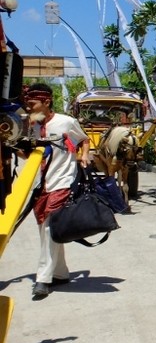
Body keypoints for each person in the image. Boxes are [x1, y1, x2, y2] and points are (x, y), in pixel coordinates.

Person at [24, 83, 91, 300]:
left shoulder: (66, 122)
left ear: (46, 102)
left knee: (48, 229)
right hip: (41, 184)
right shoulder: (31, 125)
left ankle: (43, 279)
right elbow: (27, 156)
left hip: (62, 181)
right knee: (47, 228)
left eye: (32, 103)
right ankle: (60, 273)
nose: (29, 107)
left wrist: (83, 155)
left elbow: (84, 139)